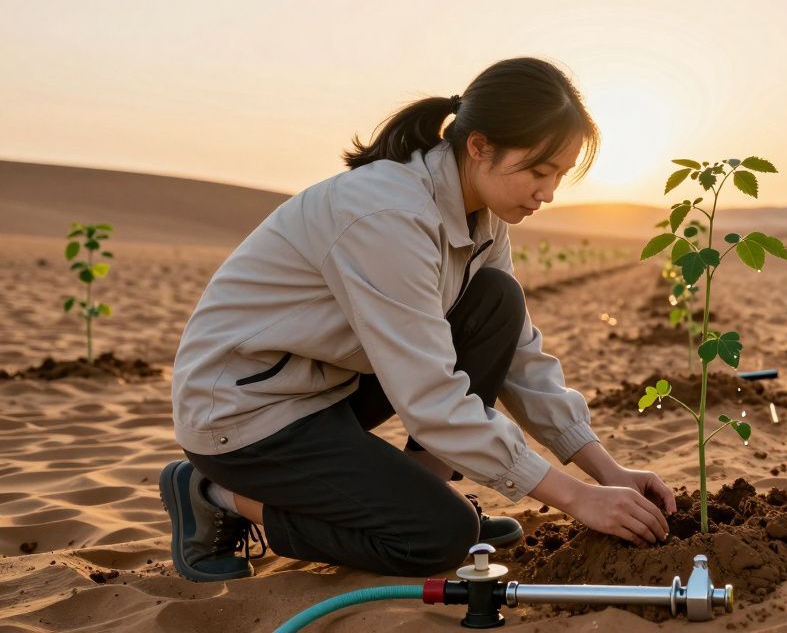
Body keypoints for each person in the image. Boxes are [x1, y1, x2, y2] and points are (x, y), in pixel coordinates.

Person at [162, 57, 676, 582]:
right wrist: (577, 499)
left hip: (327, 387)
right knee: (438, 538)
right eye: (540, 171)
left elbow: (519, 354)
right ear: (478, 145)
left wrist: (606, 470)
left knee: (497, 301)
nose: (548, 193)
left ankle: (421, 493)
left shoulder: (485, 217)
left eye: (560, 175)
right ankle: (214, 494)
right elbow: (431, 397)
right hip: (243, 414)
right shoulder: (388, 215)